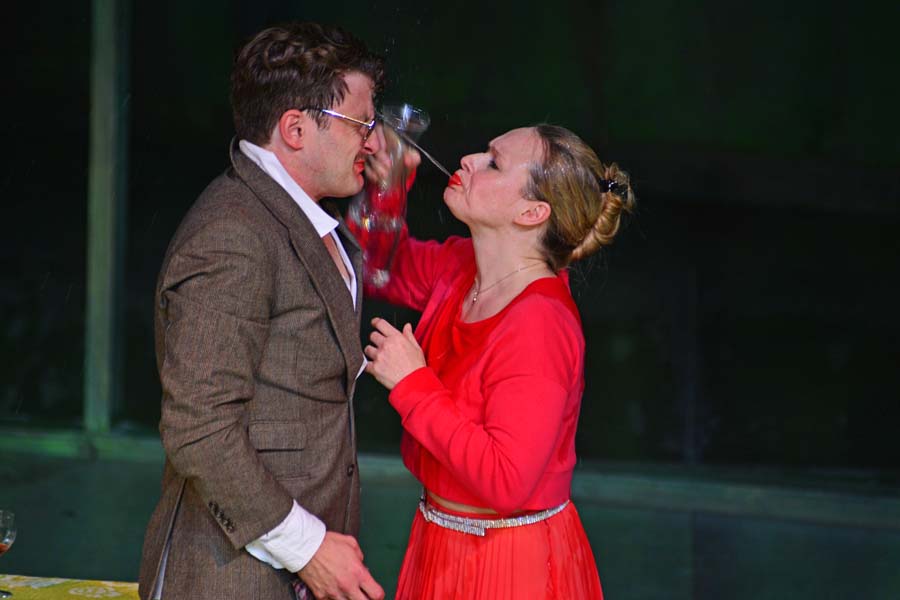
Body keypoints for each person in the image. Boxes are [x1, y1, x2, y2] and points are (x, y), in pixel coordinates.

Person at [138, 23, 386, 600]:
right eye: (361, 125)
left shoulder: (299, 214)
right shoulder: (233, 233)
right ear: (295, 129)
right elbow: (199, 427)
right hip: (230, 575)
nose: (374, 143)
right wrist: (309, 548)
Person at [362, 124, 634, 599]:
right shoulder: (460, 266)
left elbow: (506, 481)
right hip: (441, 542)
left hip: (509, 565)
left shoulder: (540, 323)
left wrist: (413, 383)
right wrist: (387, 192)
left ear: (532, 213)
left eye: (493, 163)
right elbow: (376, 269)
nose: (467, 160)